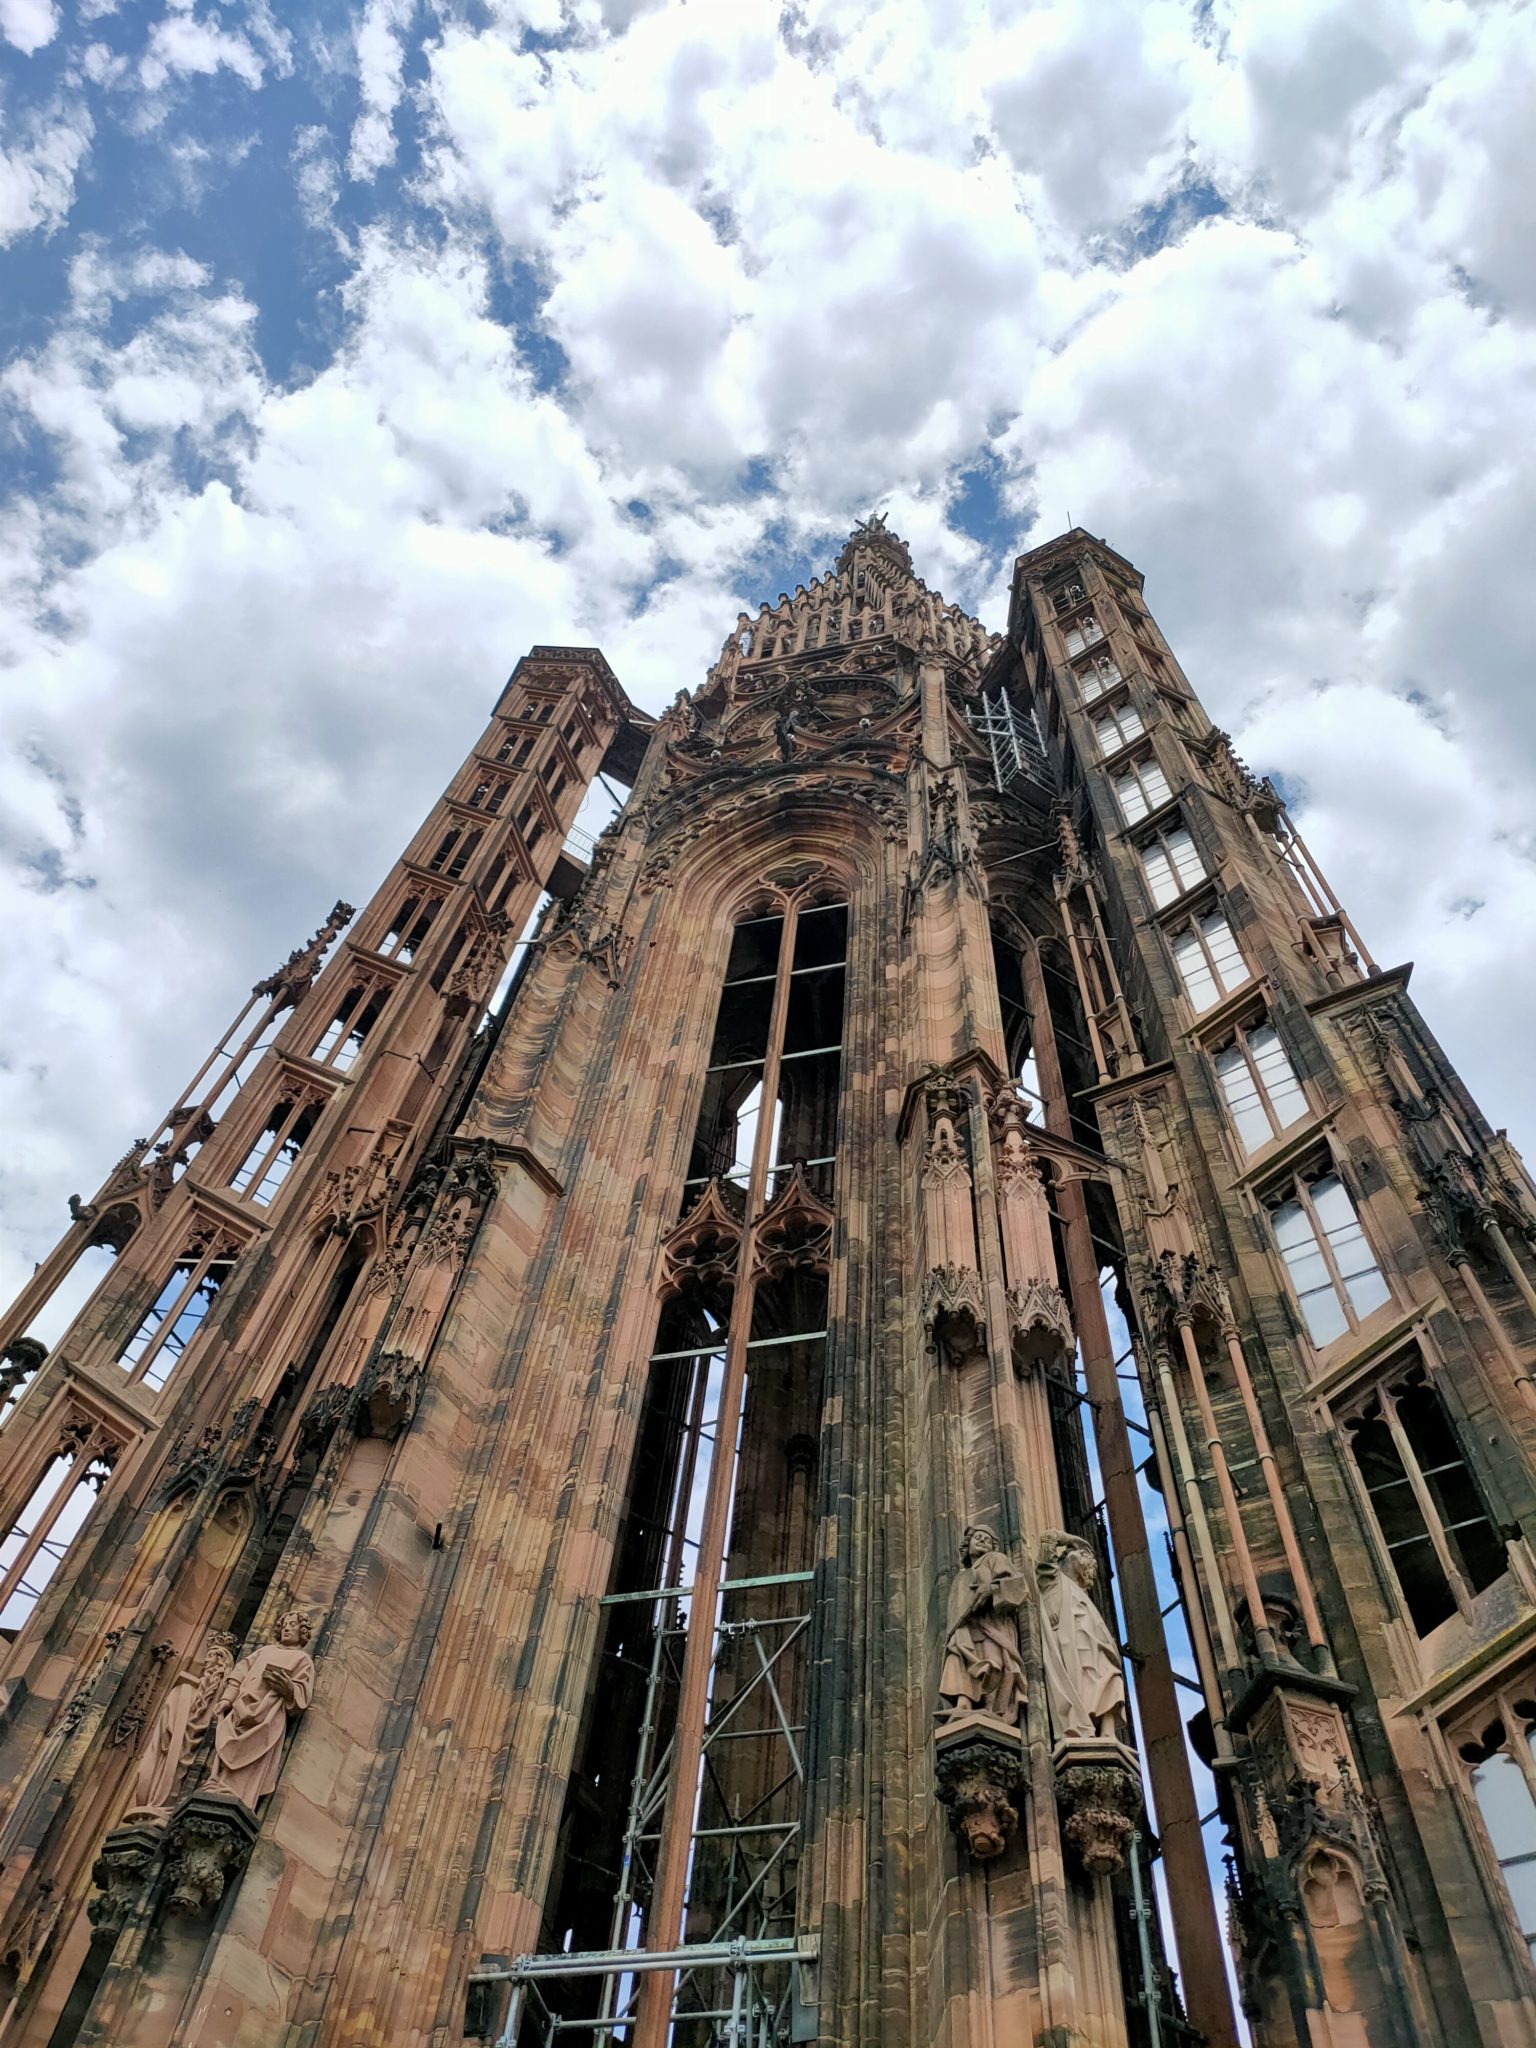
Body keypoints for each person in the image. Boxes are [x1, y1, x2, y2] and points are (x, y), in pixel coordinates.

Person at [204, 1611, 314, 1810]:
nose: (287, 1628)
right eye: (284, 1625)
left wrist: (288, 1688)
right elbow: (239, 1673)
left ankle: (241, 1794)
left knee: (255, 1752)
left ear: (303, 1631)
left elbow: (301, 1695)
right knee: (227, 1744)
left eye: (293, 1625)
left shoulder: (302, 1659)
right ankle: (219, 1784)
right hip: (240, 1708)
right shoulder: (264, 1651)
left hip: (268, 1715)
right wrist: (227, 1698)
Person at [1038, 1537, 1127, 1743]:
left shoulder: (1080, 1593)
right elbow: (1046, 1544)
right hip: (1070, 1645)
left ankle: (1107, 1732)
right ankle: (1083, 1728)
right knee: (1084, 1684)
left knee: (1112, 1676)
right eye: (1077, 1554)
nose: (1080, 1557)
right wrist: (1067, 1538)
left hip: (1093, 1645)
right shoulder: (1053, 1580)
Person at [938, 1527, 1028, 1727]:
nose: (982, 1541)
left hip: (992, 1624)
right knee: (958, 1657)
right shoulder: (961, 1577)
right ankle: (963, 1703)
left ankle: (991, 1708)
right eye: (977, 1538)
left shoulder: (995, 1558)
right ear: (967, 1546)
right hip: (967, 1627)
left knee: (993, 1662)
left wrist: (993, 1589)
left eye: (987, 1539)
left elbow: (1019, 1586)